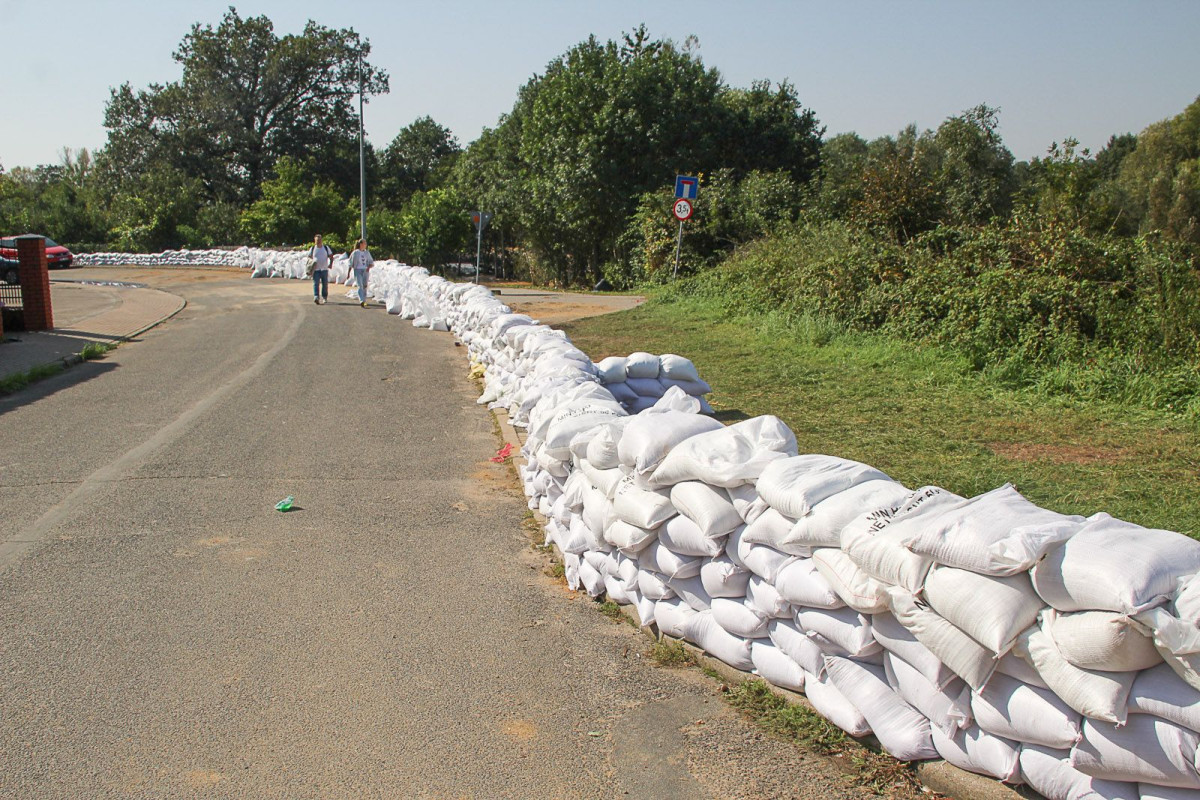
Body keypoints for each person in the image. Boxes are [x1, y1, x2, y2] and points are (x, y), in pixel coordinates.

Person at [349, 239, 374, 307]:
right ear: (361, 244)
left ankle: (364, 299)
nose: (365, 245)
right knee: (360, 285)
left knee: (365, 285)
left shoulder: (367, 253)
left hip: (365, 270)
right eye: (364, 243)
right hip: (358, 270)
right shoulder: (355, 252)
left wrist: (369, 266)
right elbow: (350, 262)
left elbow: (371, 261)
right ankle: (361, 300)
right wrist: (349, 272)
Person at [309, 234, 333, 304]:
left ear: (322, 240)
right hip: (316, 270)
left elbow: (331, 256)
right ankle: (316, 297)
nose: (318, 241)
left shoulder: (325, 248)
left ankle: (324, 297)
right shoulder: (313, 248)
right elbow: (309, 258)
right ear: (314, 241)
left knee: (325, 284)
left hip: (324, 269)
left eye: (319, 240)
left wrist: (331, 264)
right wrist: (310, 267)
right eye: (317, 240)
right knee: (316, 284)